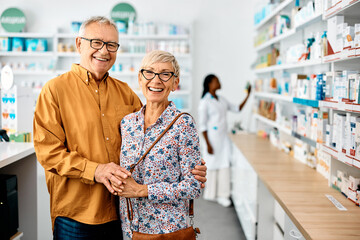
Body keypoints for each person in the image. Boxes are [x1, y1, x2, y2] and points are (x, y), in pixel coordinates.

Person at [33, 16, 207, 240]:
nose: (104, 51)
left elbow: (149, 139)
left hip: (121, 214)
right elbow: (48, 153)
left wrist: (191, 167)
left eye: (111, 45)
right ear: (79, 44)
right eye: (96, 42)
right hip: (76, 214)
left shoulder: (125, 92)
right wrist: (96, 170)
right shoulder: (54, 91)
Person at [110, 50, 201, 239]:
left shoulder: (183, 124)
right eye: (149, 72)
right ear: (140, 78)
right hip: (130, 228)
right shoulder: (127, 124)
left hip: (167, 231)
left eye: (165, 74)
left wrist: (142, 190)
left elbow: (194, 186)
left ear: (175, 83)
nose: (156, 80)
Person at [198, 74, 251, 207]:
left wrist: (248, 95)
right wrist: (208, 144)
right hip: (212, 139)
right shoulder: (205, 102)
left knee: (224, 165)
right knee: (212, 166)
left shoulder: (221, 99)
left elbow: (237, 108)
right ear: (210, 84)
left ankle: (223, 195)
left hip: (223, 139)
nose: (219, 82)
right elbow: (202, 126)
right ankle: (211, 194)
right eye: (217, 81)